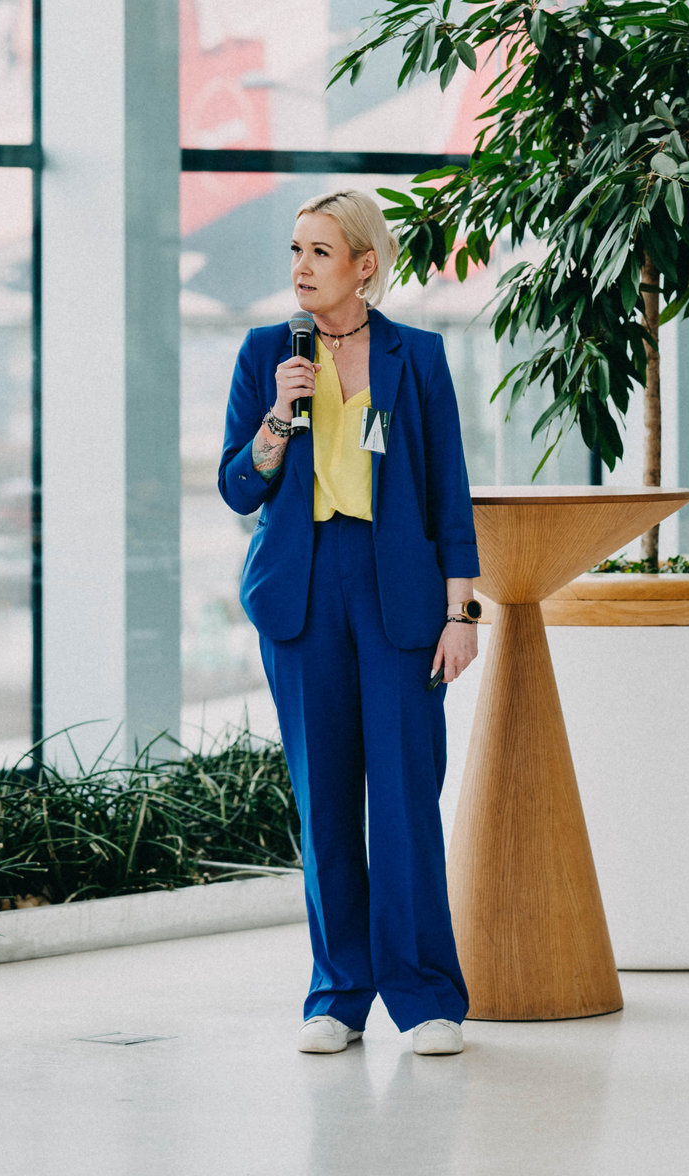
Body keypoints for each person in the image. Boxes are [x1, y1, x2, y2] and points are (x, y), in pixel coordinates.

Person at [218, 188, 481, 1057]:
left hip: (398, 591)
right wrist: (276, 416)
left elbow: (449, 494)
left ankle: (426, 996)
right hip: (301, 592)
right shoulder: (267, 353)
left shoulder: (418, 356)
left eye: (320, 252)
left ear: (365, 265)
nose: (301, 267)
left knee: (405, 800)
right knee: (325, 802)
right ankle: (336, 996)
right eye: (296, 250)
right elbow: (238, 488)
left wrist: (461, 612)